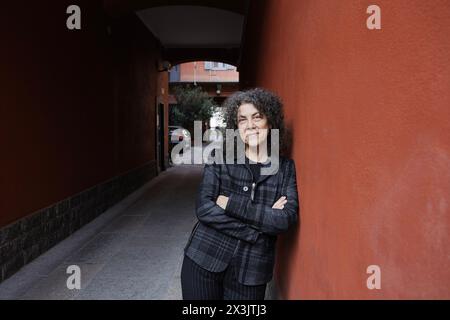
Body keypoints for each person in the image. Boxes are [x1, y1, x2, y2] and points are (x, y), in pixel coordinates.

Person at [181, 88, 299, 300]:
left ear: (270, 122)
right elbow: (204, 209)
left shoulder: (285, 169)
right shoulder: (220, 158)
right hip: (204, 259)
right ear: (236, 127)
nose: (250, 125)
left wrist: (230, 203)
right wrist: (256, 232)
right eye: (242, 119)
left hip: (252, 272)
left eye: (257, 117)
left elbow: (284, 220)